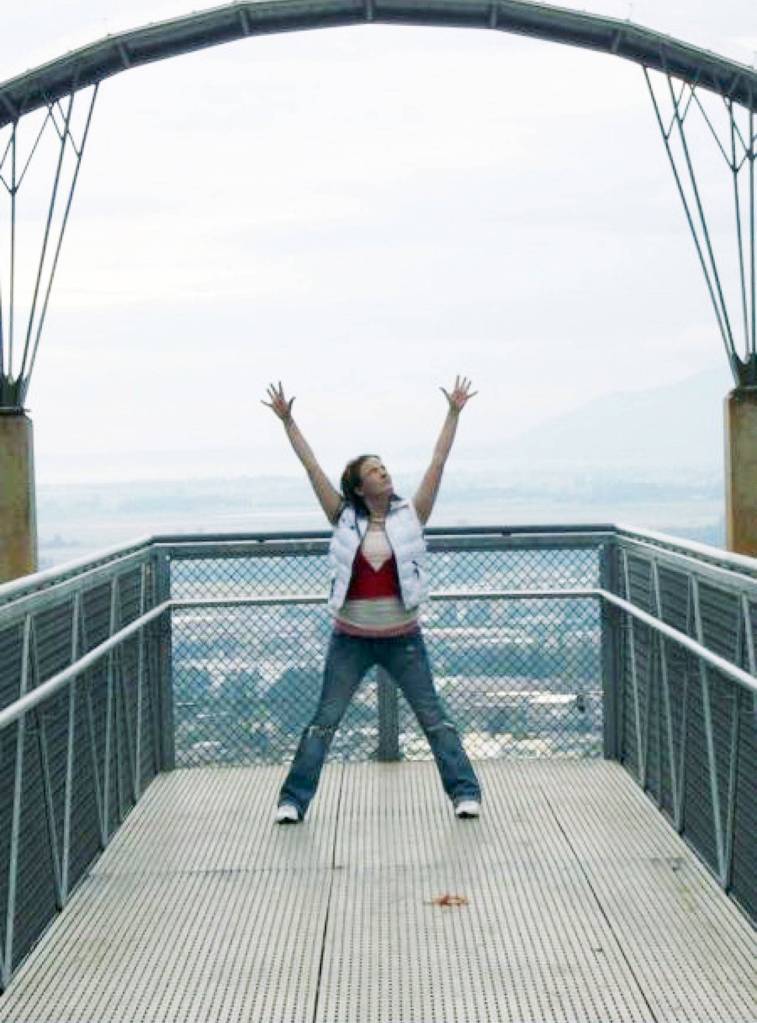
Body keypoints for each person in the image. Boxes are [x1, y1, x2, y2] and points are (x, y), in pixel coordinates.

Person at [260, 376, 482, 824]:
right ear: (360, 487)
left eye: (384, 468)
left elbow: (438, 461)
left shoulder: (411, 514)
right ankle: (293, 801)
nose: (384, 473)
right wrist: (288, 422)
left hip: (403, 638)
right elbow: (312, 468)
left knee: (434, 720)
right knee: (324, 721)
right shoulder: (342, 515)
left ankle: (465, 793)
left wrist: (453, 413)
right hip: (351, 639)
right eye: (375, 470)